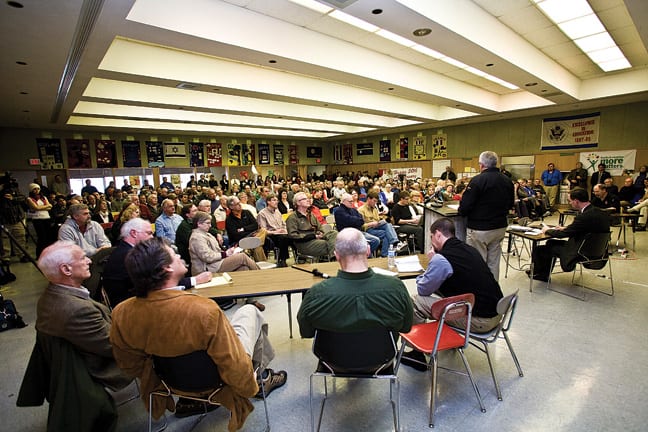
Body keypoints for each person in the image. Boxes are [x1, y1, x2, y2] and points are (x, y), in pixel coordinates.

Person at [110, 238, 287, 428]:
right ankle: (261, 379)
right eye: (174, 254)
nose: (179, 255)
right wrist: (247, 387)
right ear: (166, 268)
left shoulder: (122, 313)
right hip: (217, 382)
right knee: (249, 313)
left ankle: (194, 398)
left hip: (169, 382)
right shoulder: (203, 310)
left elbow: (129, 364)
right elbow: (234, 364)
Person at [35, 241, 131, 391]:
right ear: (66, 269)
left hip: (89, 352)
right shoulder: (76, 310)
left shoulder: (53, 294)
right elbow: (116, 346)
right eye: (82, 258)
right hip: (101, 366)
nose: (90, 261)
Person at [297, 228, 413, 337]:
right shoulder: (396, 287)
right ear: (368, 250)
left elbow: (306, 332)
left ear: (337, 255)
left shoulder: (316, 293)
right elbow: (406, 327)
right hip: (383, 356)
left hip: (333, 356)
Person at [103, 218, 212, 306]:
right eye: (149, 233)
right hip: (137, 306)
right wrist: (195, 280)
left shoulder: (126, 250)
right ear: (133, 233)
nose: (152, 237)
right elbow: (158, 283)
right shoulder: (131, 255)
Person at [529, 187, 611, 282]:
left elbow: (562, 234)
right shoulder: (600, 212)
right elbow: (588, 229)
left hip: (582, 251)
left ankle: (540, 274)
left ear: (576, 201)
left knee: (540, 249)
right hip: (597, 250)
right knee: (551, 242)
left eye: (570, 201)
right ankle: (541, 272)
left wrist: (547, 230)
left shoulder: (583, 217)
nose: (569, 203)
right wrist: (568, 228)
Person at [458, 151, 514, 281]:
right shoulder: (507, 181)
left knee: (477, 262)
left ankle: (479, 292)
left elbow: (465, 206)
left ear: (481, 165)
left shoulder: (478, 180)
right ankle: (493, 289)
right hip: (499, 227)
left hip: (480, 228)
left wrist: (462, 211)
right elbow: (511, 204)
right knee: (493, 262)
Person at [189, 211, 259, 274]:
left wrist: (229, 253)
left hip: (215, 263)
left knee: (244, 268)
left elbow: (216, 251)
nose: (210, 226)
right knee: (242, 257)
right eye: (207, 223)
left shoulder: (206, 234)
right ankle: (261, 275)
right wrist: (225, 254)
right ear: (199, 224)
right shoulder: (196, 238)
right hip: (207, 268)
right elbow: (207, 257)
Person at [286, 192, 337, 260]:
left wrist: (320, 233)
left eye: (308, 198)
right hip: (304, 244)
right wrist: (312, 236)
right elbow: (293, 235)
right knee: (333, 244)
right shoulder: (292, 217)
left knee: (334, 233)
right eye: (304, 199)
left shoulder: (311, 215)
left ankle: (333, 257)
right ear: (298, 203)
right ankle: (334, 258)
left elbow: (320, 228)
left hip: (317, 239)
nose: (308, 200)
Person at [358, 191, 401, 257]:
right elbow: (361, 226)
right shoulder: (361, 210)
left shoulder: (375, 209)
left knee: (388, 224)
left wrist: (381, 221)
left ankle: (393, 243)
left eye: (376, 202)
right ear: (368, 199)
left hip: (377, 227)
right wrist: (371, 224)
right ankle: (386, 252)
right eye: (374, 201)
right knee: (387, 234)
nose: (375, 203)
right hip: (368, 230)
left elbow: (377, 220)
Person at [226, 196, 268, 261]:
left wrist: (243, 229)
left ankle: (253, 244)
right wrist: (251, 233)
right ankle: (264, 268)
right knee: (257, 246)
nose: (240, 205)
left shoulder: (247, 212)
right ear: (231, 207)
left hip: (252, 236)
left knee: (263, 230)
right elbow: (235, 235)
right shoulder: (229, 220)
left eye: (239, 202)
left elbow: (255, 225)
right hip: (241, 240)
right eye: (237, 204)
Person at [256, 193, 291, 267]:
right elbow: (263, 231)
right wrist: (276, 232)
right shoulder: (262, 214)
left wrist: (284, 230)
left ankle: (300, 257)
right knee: (283, 238)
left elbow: (283, 224)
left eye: (277, 200)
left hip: (281, 233)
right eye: (274, 200)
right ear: (268, 202)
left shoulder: (278, 212)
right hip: (270, 235)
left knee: (292, 236)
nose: (277, 202)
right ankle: (282, 260)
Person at [0, 176, 28, 263]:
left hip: (17, 219)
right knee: (5, 240)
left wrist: (13, 198)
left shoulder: (15, 190)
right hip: (4, 221)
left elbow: (23, 198)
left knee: (20, 237)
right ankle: (6, 258)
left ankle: (22, 255)